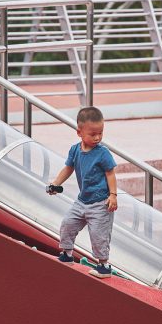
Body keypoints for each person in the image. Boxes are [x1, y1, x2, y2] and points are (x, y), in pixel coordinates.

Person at [47, 106, 118, 279]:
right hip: (82, 201)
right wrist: (56, 183)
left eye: (100, 133)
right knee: (67, 224)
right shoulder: (75, 150)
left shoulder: (102, 153)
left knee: (99, 235)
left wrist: (113, 195)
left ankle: (104, 266)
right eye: (92, 134)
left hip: (101, 203)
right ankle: (67, 254)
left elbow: (111, 174)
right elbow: (68, 168)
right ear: (79, 132)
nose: (98, 137)